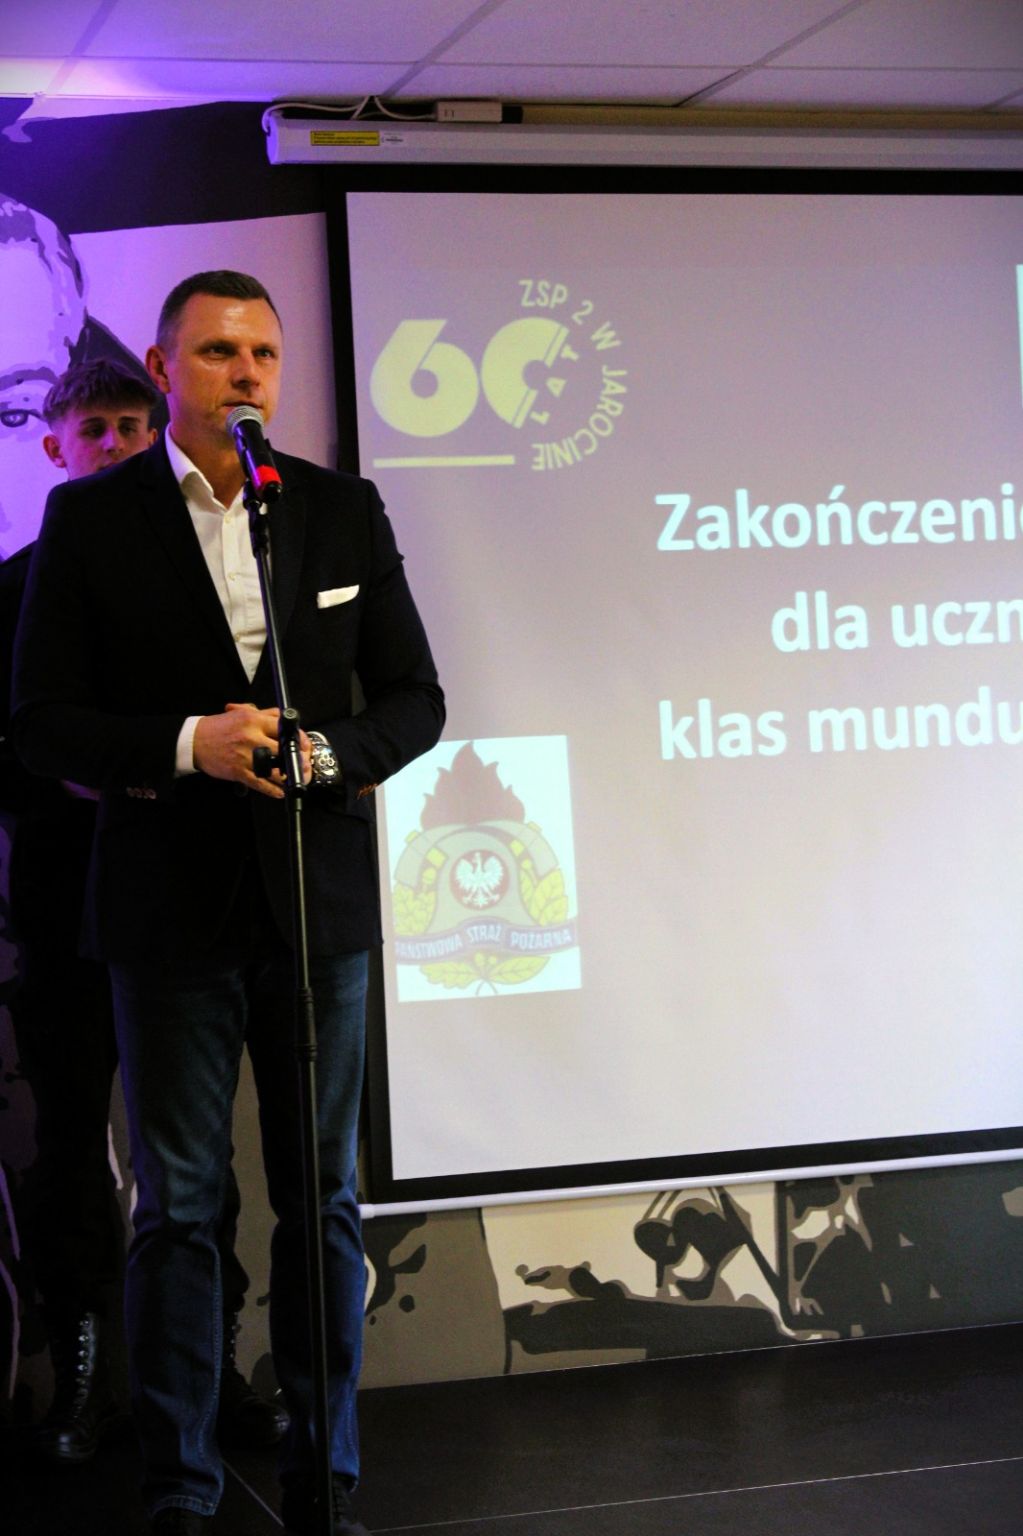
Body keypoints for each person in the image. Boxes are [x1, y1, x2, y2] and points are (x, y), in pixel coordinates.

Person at [11, 272, 445, 1535]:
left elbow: (414, 700)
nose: (245, 372)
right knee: (182, 1206)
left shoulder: (339, 509)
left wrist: (326, 753)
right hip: (167, 909)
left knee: (323, 1199)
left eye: (262, 352)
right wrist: (187, 743)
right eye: (215, 351)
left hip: (316, 904)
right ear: (163, 368)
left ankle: (325, 1474)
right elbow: (42, 723)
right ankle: (183, 1486)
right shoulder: (92, 520)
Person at [0, 359, 289, 1462]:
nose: (118, 443)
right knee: (71, 1143)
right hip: (61, 906)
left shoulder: (203, 568)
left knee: (198, 1154)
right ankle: (80, 1376)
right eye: (97, 428)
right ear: (55, 446)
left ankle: (213, 1364)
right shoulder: (12, 586)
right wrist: (92, 773)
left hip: (182, 897)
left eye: (134, 425)